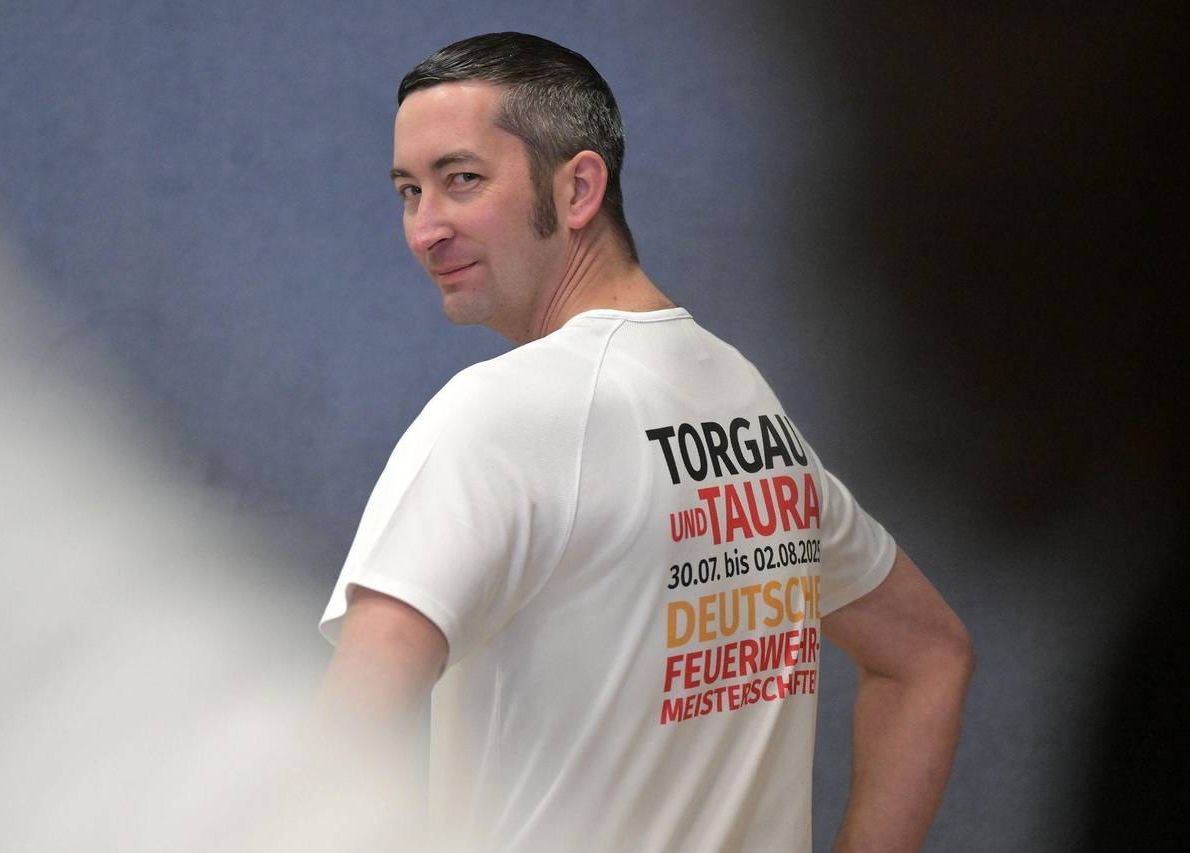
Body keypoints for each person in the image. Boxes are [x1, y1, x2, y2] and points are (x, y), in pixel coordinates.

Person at [316, 31, 973, 853]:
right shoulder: (742, 401)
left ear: (579, 187)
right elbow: (927, 655)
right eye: (411, 191)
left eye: (462, 180)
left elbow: (337, 757)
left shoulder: (494, 418)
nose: (425, 230)